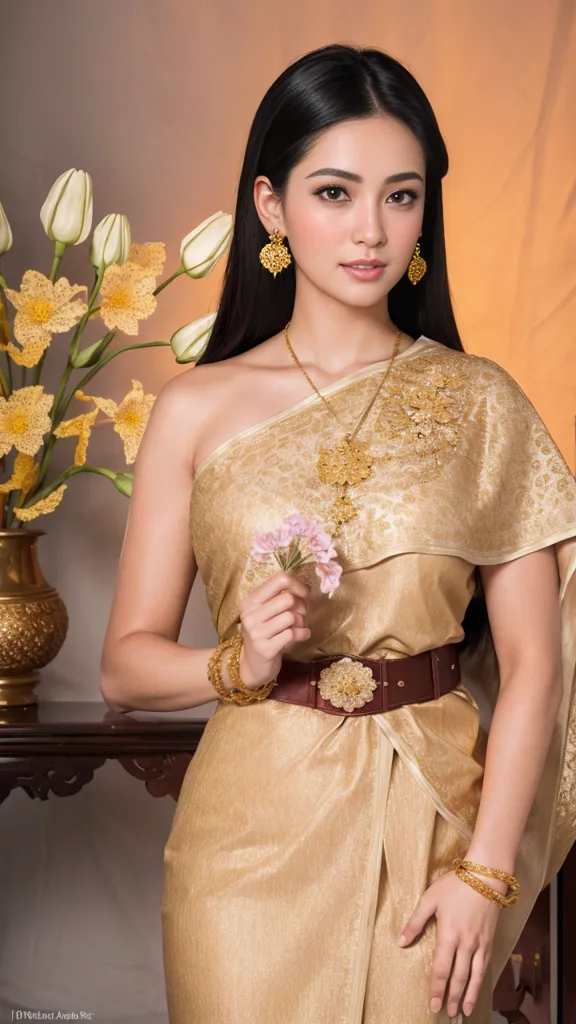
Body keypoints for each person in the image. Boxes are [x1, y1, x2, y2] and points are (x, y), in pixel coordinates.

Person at [99, 42, 576, 1024]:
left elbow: (536, 665)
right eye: (334, 192)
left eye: (401, 197)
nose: (371, 230)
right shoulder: (197, 410)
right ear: (271, 207)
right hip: (247, 833)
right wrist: (241, 657)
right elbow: (126, 667)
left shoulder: (481, 403)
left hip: (434, 823)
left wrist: (486, 878)